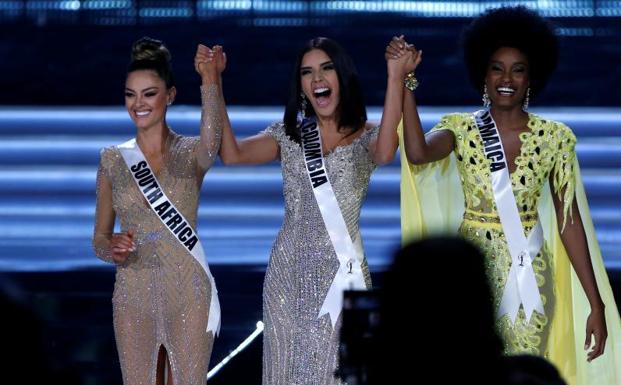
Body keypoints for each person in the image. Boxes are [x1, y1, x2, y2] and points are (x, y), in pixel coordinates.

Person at [388, 6, 621, 385]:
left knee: (523, 370)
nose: (507, 78)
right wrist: (406, 83)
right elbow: (417, 153)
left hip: (530, 272)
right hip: (468, 277)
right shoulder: (461, 128)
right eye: (497, 67)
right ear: (483, 73)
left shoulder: (555, 137)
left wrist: (596, 304)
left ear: (532, 78)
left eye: (518, 69)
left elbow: (570, 224)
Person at [194, 37, 405, 384]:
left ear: (343, 77)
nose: (317, 79)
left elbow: (385, 153)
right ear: (301, 85)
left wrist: (395, 75)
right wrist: (212, 81)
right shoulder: (288, 136)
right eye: (308, 72)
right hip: (287, 278)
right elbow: (231, 154)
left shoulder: (366, 137)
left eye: (326, 69)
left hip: (344, 276)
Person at [93, 36, 222, 385]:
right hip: (134, 293)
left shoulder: (192, 152)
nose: (138, 104)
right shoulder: (112, 160)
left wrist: (210, 79)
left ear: (170, 96)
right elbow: (100, 239)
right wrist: (112, 246)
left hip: (189, 293)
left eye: (149, 93)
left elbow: (214, 142)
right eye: (130, 95)